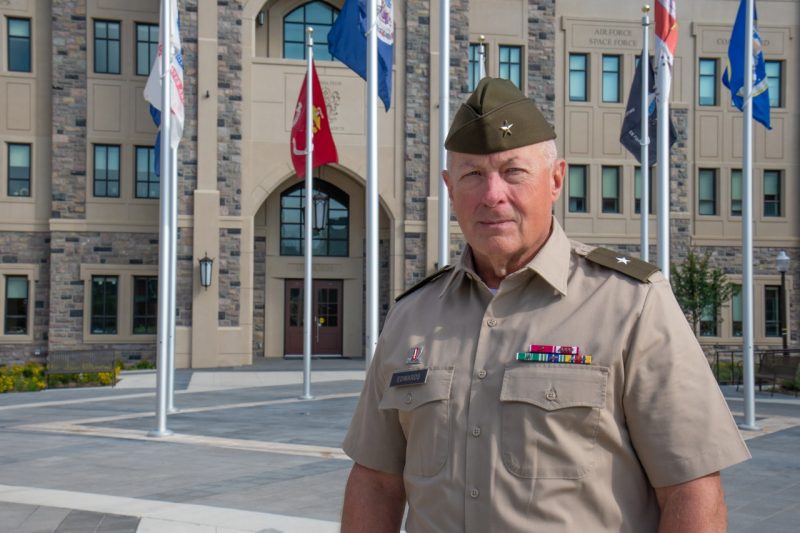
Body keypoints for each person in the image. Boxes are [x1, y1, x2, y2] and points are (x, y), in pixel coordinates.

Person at [340, 78, 750, 532]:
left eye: (514, 172)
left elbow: (691, 490)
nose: (492, 194)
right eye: (472, 174)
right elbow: (375, 481)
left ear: (555, 180)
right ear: (450, 188)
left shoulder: (631, 304)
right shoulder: (412, 316)